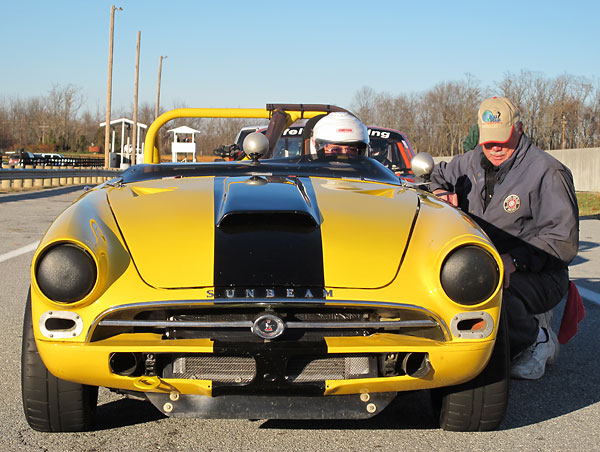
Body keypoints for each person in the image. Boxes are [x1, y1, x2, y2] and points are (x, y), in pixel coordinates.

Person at [429, 97, 579, 380]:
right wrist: (440, 194)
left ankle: (537, 337)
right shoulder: (469, 161)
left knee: (490, 288)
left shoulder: (548, 172)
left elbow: (562, 241)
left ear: (519, 128)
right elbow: (436, 175)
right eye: (488, 141)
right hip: (481, 264)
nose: (495, 148)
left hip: (539, 272)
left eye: (503, 140)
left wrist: (515, 260)